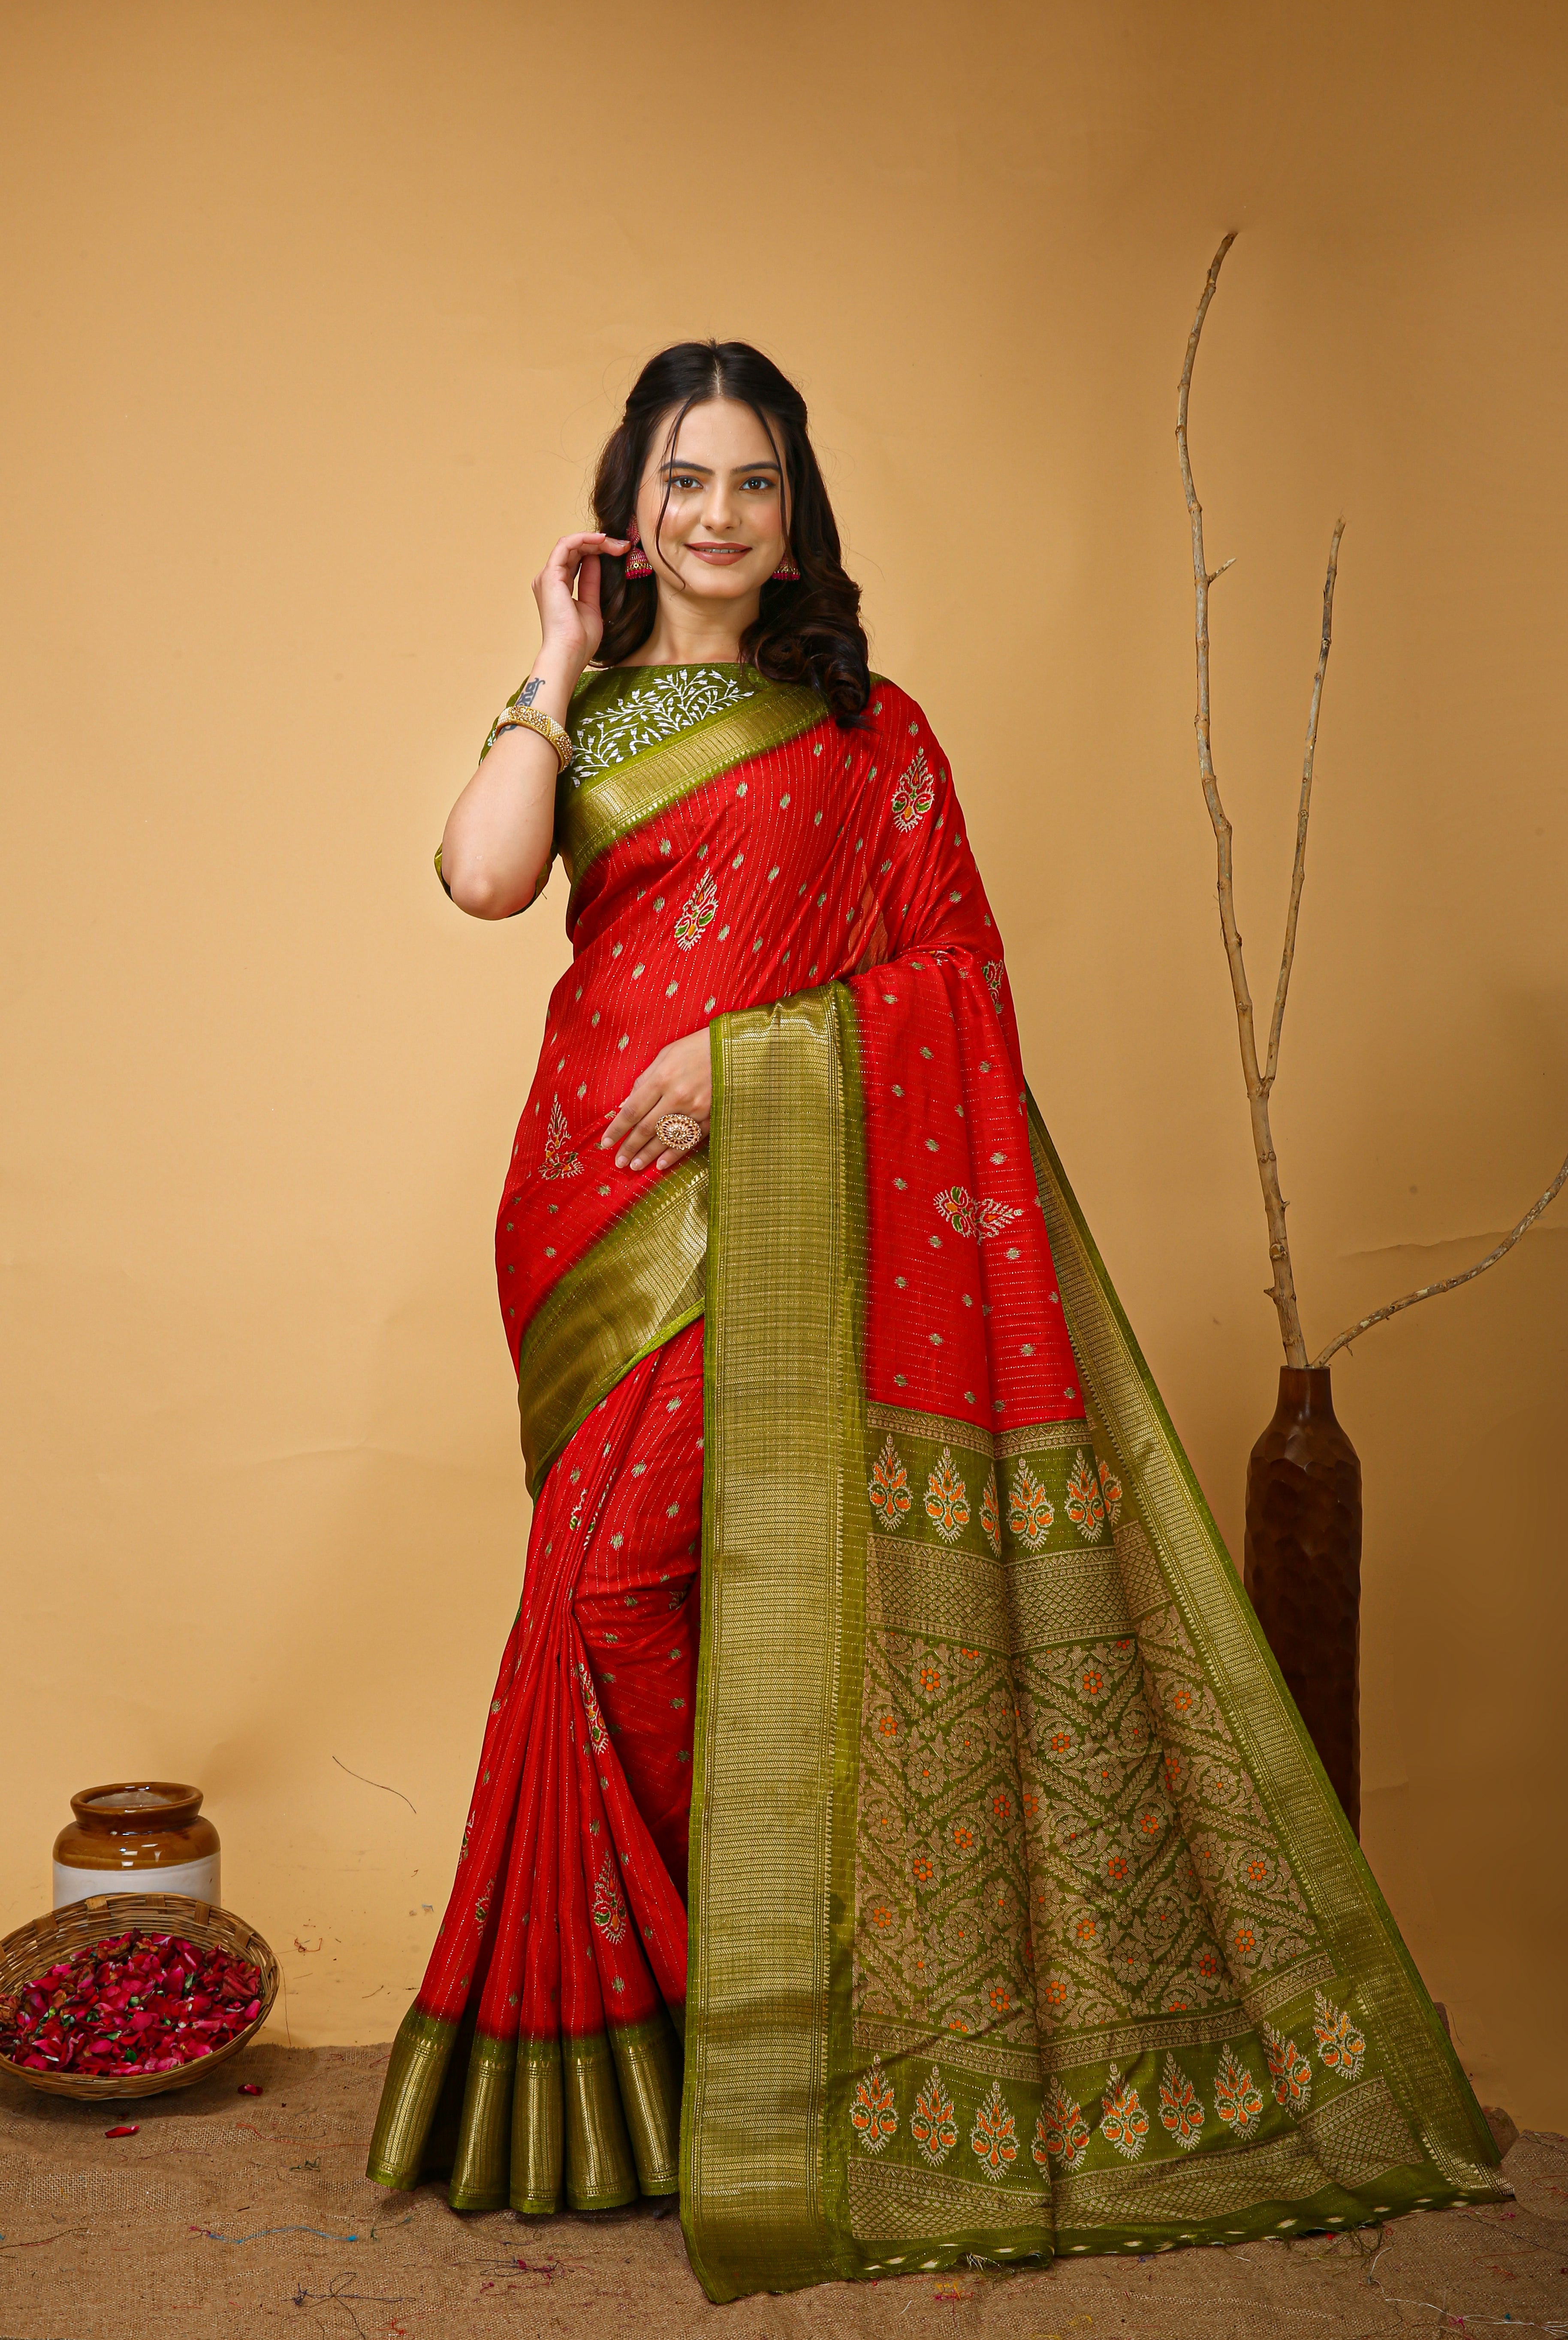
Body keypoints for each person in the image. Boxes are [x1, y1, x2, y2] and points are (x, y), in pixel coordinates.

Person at [367, 341, 1503, 2302]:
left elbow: (954, 974)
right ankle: (677, 2060)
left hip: (772, 1206)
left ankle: (781, 2028)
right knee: (602, 1604)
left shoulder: (870, 733)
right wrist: (549, 663)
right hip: (584, 1215)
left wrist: (751, 1070)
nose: (715, 515)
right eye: (682, 480)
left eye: (751, 483)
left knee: (705, 1588)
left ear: (793, 514)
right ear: (630, 502)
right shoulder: (597, 708)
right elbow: (480, 879)